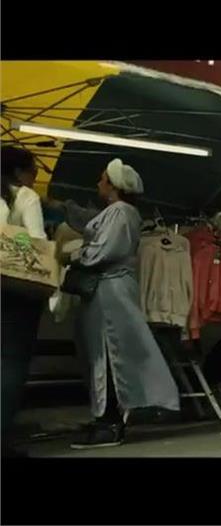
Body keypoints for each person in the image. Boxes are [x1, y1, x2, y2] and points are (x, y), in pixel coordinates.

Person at [45, 159, 180, 449]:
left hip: (111, 293)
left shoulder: (121, 213)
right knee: (104, 354)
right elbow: (89, 223)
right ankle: (105, 417)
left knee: (109, 354)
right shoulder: (116, 213)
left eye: (102, 179)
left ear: (113, 185)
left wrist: (71, 256)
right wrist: (63, 207)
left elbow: (102, 250)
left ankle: (109, 423)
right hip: (108, 292)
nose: (98, 184)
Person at [0, 146, 46, 458]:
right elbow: (36, 242)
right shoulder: (25, 197)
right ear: (18, 172)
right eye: (32, 171)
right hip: (14, 290)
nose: (35, 177)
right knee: (11, 363)